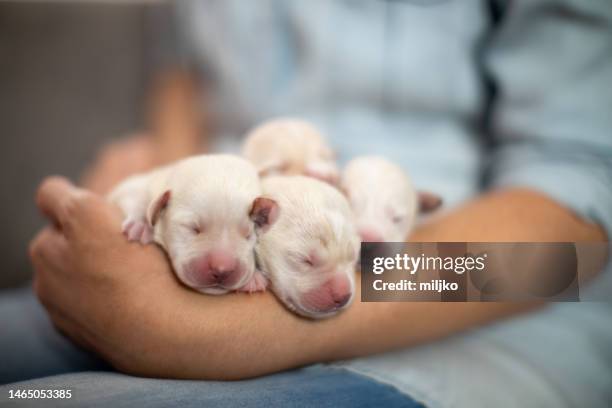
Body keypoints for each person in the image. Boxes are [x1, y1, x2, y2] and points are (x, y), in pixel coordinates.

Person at [1, 1, 611, 407]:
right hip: (173, 261)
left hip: (455, 317)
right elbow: (181, 73)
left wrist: (225, 332)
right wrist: (156, 172)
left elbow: (570, 250)